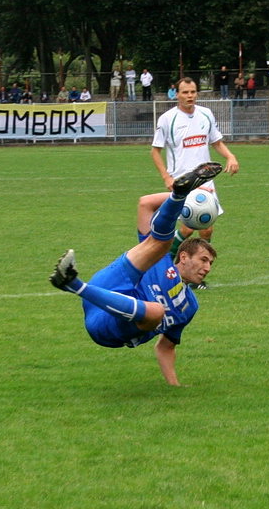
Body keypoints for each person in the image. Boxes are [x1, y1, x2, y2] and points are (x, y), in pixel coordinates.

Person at [49, 162, 222, 386]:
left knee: (156, 310)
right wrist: (186, 194)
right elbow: (145, 204)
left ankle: (73, 284)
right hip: (109, 285)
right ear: (184, 257)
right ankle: (178, 196)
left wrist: (175, 386)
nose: (207, 268)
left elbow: (165, 347)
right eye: (203, 260)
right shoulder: (161, 261)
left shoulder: (189, 305)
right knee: (158, 244)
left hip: (107, 328)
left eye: (210, 263)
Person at [150, 77, 240, 284]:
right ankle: (169, 271)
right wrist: (166, 177)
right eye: (185, 92)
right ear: (177, 94)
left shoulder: (206, 114)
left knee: (207, 228)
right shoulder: (167, 119)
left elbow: (216, 141)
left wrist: (230, 156)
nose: (190, 96)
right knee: (188, 228)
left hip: (206, 179)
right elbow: (155, 151)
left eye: (193, 92)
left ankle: (196, 275)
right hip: (182, 182)